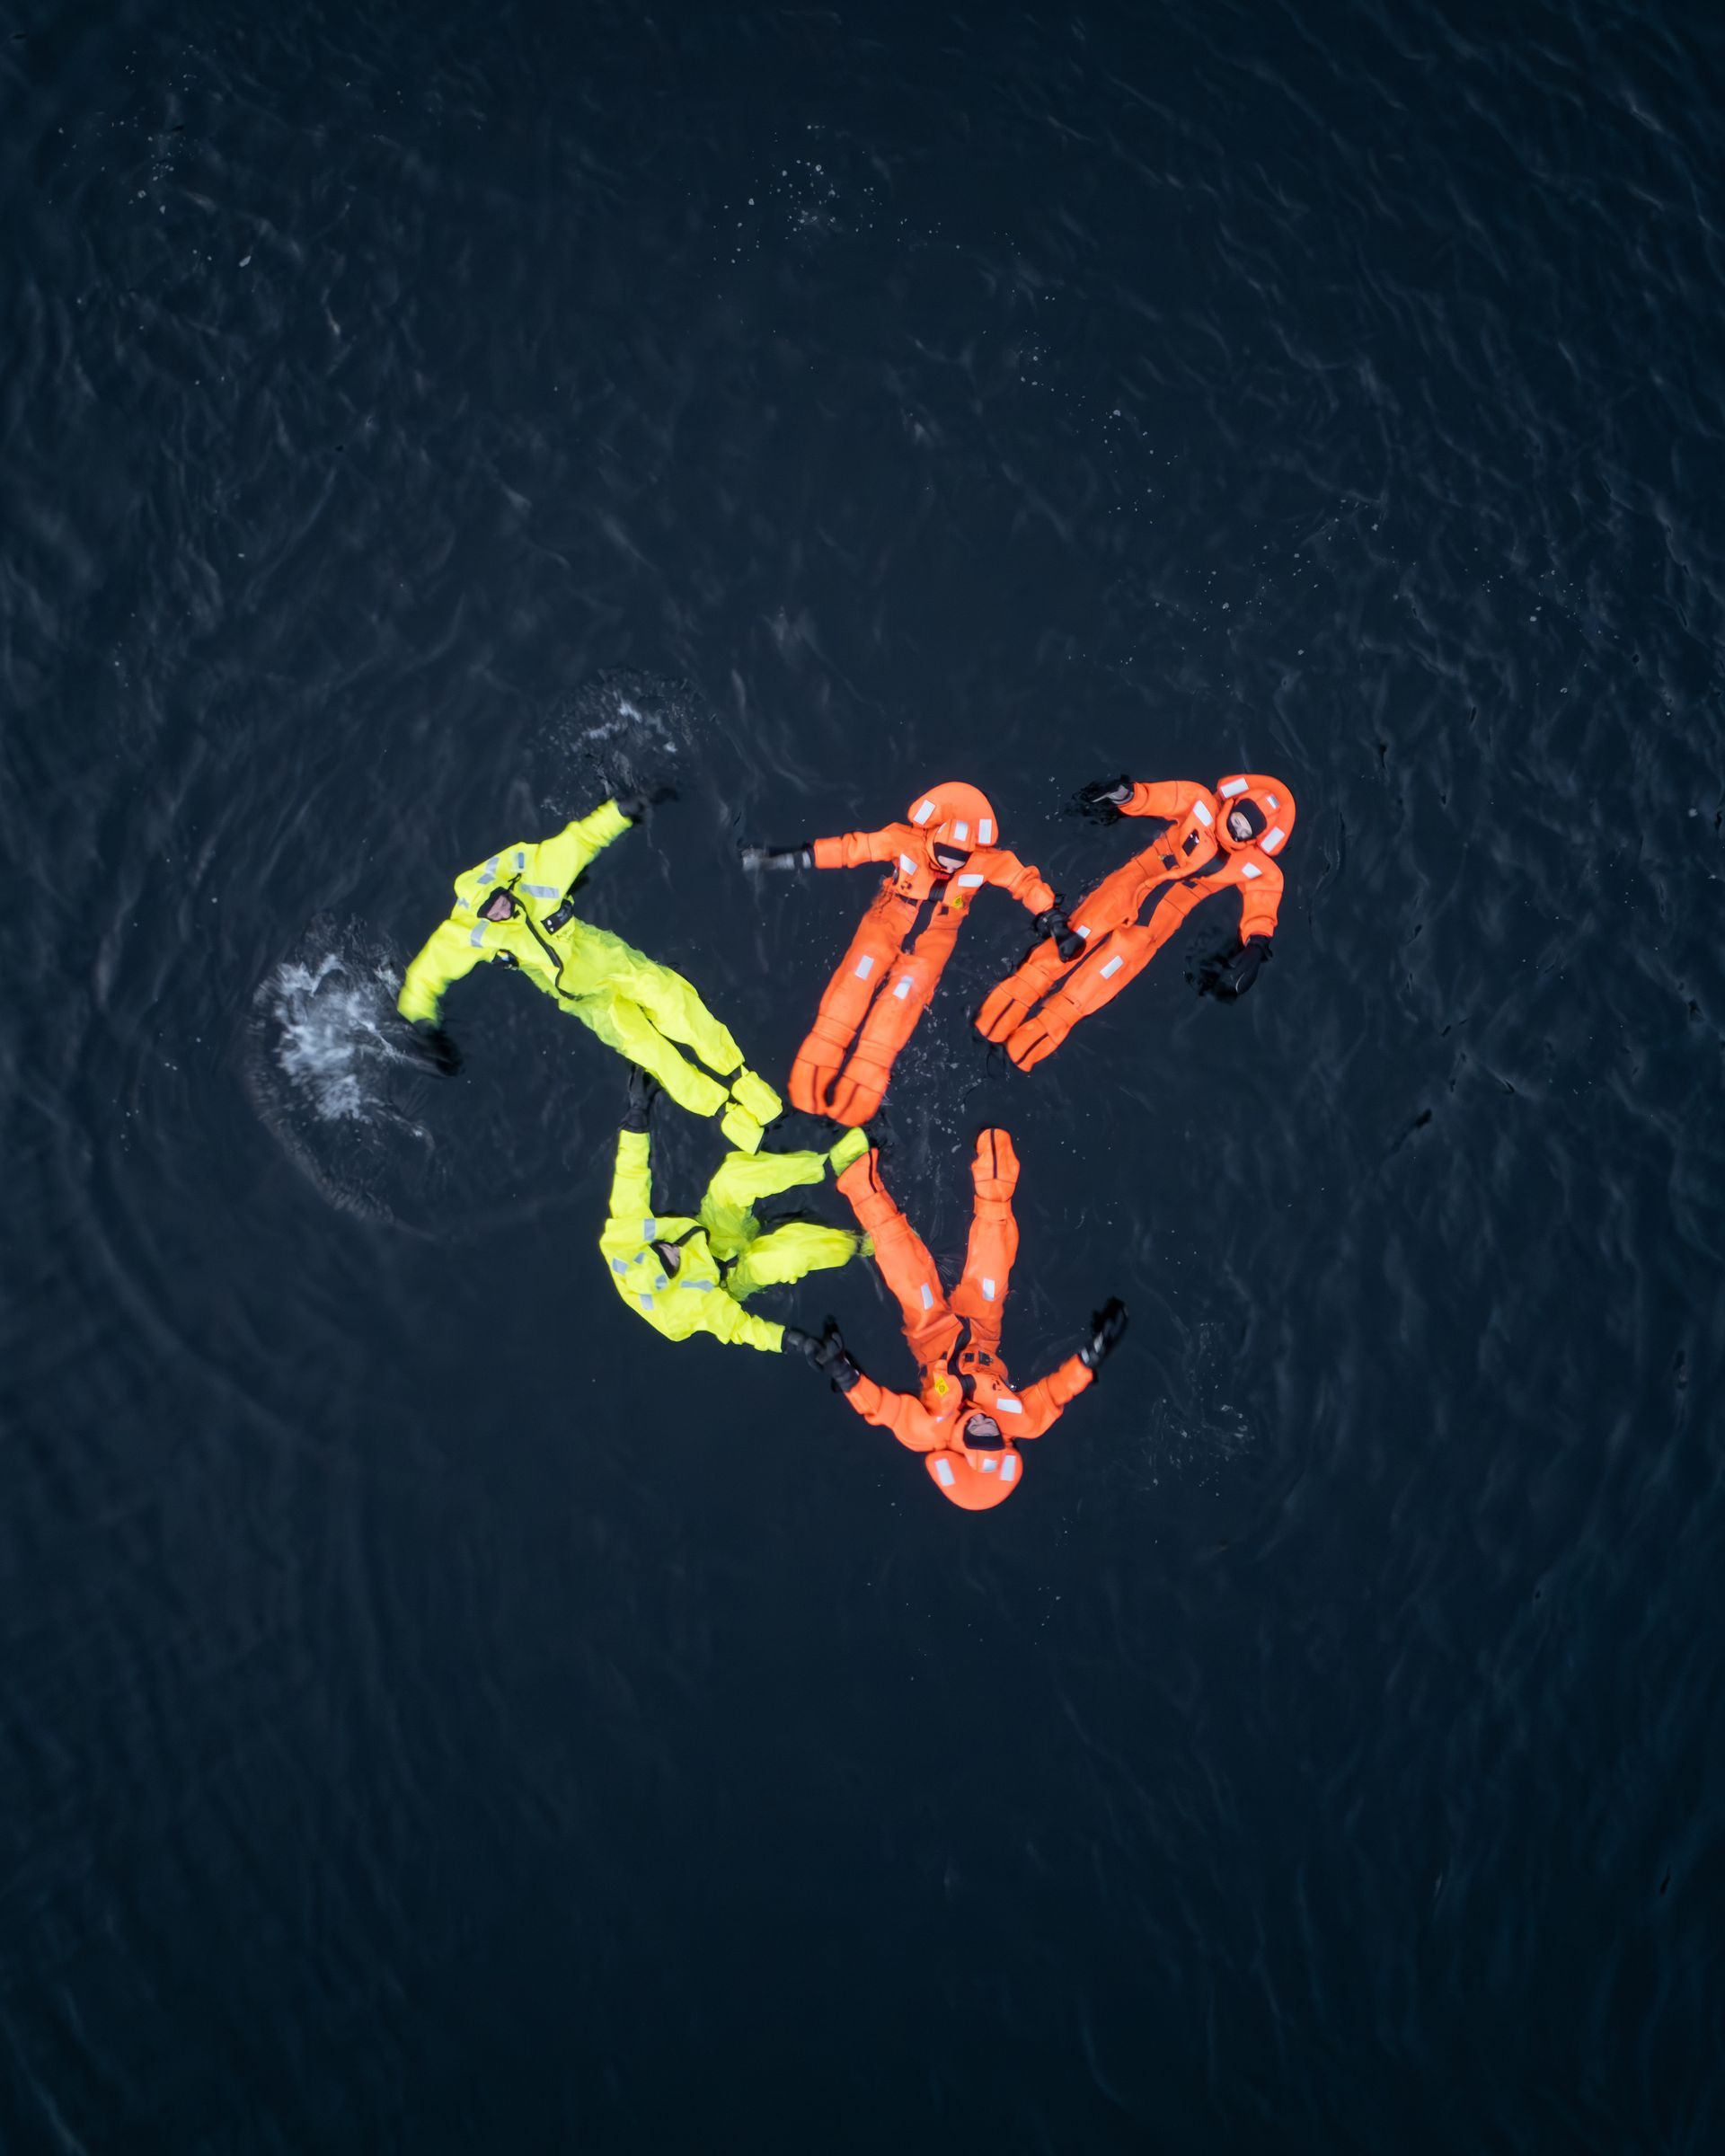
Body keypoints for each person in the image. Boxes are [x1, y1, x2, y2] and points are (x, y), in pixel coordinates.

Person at [397, 791, 783, 1150]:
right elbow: (424, 976)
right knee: (653, 1053)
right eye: (491, 912)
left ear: (505, 888)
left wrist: (623, 810)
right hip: (586, 1001)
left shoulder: (538, 878)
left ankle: (746, 1082)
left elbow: (581, 840)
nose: (501, 911)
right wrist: (422, 1025)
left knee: (677, 1005)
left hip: (611, 962)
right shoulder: (468, 934)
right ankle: (728, 1115)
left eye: (500, 902)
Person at [785, 1130, 1127, 1509]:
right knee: (992, 1267)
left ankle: (860, 1183)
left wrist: (844, 1373)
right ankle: (995, 1174)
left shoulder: (925, 1432)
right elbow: (1056, 1392)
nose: (987, 1426)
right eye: (995, 1438)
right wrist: (1092, 1357)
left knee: (908, 1270)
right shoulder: (1024, 1423)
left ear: (960, 1448)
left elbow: (882, 1409)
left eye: (978, 1437)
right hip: (982, 1335)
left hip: (933, 1336)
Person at [741, 782, 1081, 1126]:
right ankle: (823, 1048)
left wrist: (1055, 921)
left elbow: (1024, 882)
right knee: (858, 975)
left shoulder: (987, 863)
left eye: (957, 862)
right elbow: (850, 849)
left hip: (936, 936)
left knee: (904, 994)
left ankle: (869, 1071)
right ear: (931, 843)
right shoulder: (902, 841)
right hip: (887, 919)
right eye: (943, 859)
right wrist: (785, 857)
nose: (948, 869)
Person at [976, 771, 1297, 1071]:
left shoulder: (1254, 866)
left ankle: (1019, 1054)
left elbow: (1264, 897)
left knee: (1092, 986)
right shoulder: (1198, 801)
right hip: (1128, 885)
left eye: (1246, 831)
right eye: (1240, 819)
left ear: (1257, 838)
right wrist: (1126, 795)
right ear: (1234, 803)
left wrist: (1257, 942)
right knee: (1065, 946)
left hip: (1157, 923)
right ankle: (990, 1023)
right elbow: (1157, 798)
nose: (1238, 829)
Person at [601, 1069, 870, 1354]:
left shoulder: (625, 1239)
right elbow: (739, 1328)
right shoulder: (681, 1312)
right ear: (669, 1279)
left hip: (710, 1232)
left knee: (732, 1178)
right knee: (781, 1257)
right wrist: (794, 1342)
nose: (675, 1250)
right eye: (672, 1262)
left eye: (664, 1247)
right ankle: (861, 1243)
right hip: (729, 1277)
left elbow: (630, 1178)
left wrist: (637, 1116)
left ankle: (827, 1166)